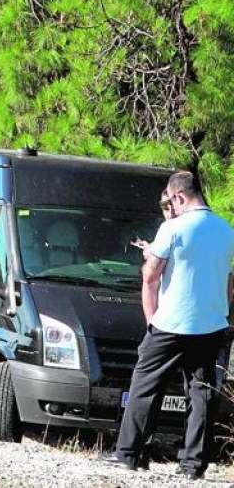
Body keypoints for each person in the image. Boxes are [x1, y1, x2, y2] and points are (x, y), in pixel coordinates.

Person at [103, 171, 234, 480]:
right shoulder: (226, 230)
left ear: (178, 197)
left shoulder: (172, 228)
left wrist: (152, 322)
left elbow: (151, 277)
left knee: (145, 387)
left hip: (171, 323)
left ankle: (129, 454)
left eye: (170, 200)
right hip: (211, 324)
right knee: (202, 394)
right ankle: (193, 466)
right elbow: (229, 285)